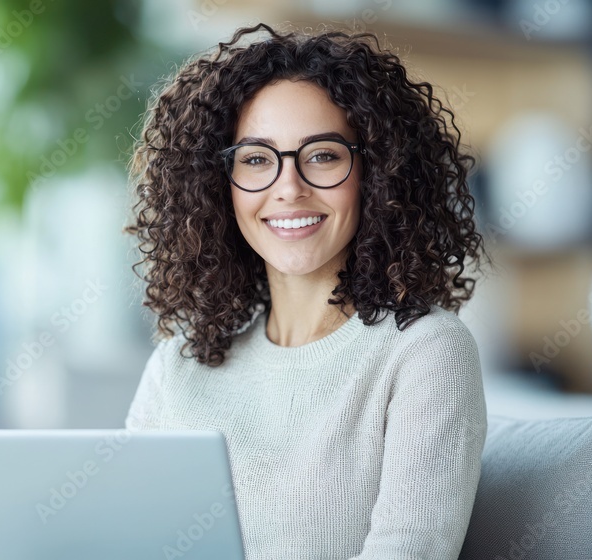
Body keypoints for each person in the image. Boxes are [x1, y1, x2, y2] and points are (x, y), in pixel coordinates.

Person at [123, 23, 489, 559]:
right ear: (216, 186)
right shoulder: (178, 366)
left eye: (322, 155)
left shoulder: (425, 353)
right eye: (255, 159)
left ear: (377, 173)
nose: (288, 188)